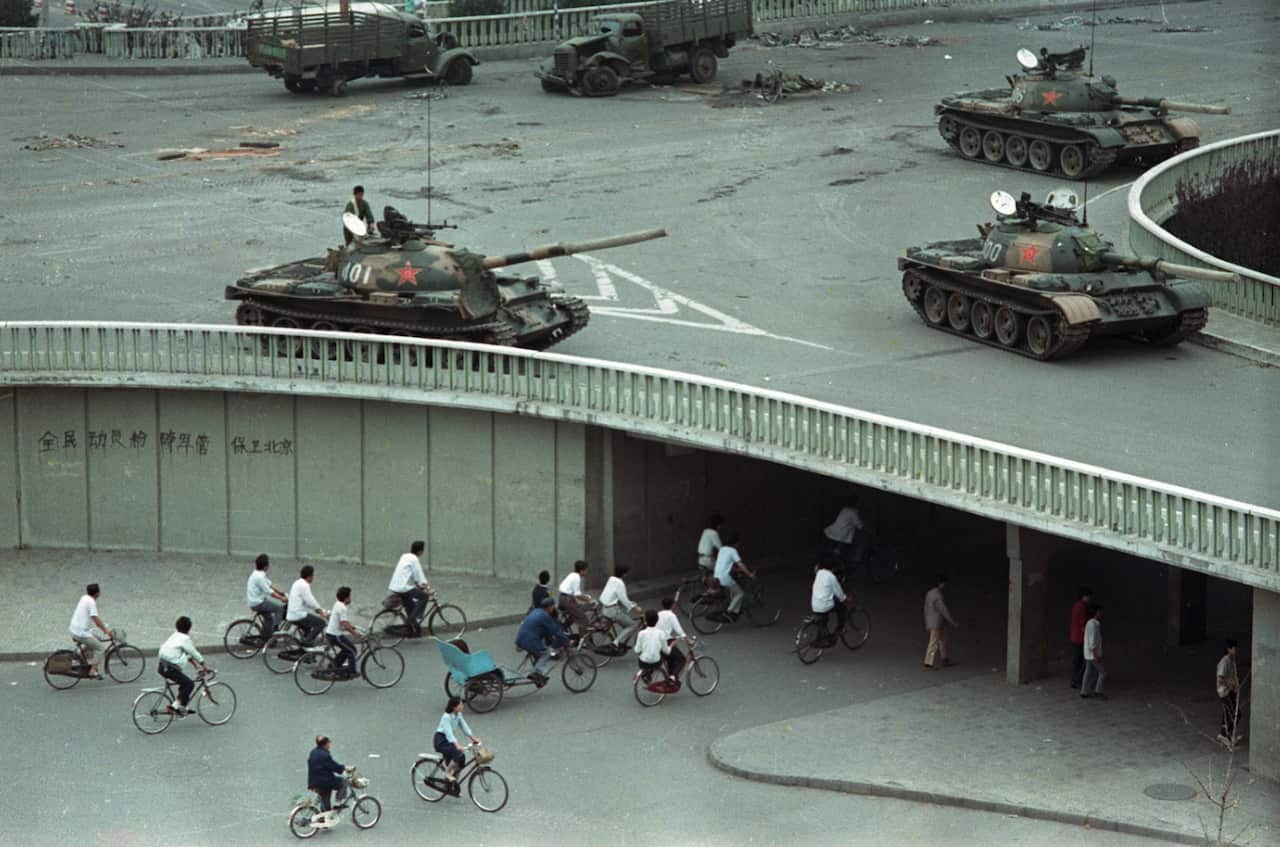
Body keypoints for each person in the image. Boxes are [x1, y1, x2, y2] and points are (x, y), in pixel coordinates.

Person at [157, 616, 206, 716]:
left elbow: (186, 654)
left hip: (162, 666)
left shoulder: (175, 636)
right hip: (170, 668)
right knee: (189, 684)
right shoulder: (185, 639)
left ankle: (182, 707)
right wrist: (204, 664)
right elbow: (193, 652)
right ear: (189, 628)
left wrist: (196, 665)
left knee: (184, 683)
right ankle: (174, 706)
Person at [515, 597, 568, 687]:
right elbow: (556, 630)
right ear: (549, 607)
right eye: (553, 606)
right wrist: (566, 640)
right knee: (547, 653)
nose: (553, 608)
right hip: (530, 641)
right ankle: (536, 673)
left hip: (521, 638)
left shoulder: (536, 611)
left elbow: (545, 630)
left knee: (539, 652)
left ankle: (538, 677)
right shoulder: (544, 616)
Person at [68, 583, 113, 679]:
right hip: (81, 633)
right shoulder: (91, 603)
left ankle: (80, 652)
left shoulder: (84, 597)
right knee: (100, 648)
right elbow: (96, 619)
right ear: (98, 594)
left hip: (74, 629)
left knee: (97, 638)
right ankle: (92, 671)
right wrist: (106, 631)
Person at [389, 540, 431, 637]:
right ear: (420, 551)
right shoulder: (414, 559)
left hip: (394, 585)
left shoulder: (404, 556)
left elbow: (412, 573)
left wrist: (418, 584)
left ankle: (414, 631)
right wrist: (428, 589)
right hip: (402, 587)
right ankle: (413, 619)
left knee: (411, 606)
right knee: (424, 596)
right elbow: (420, 576)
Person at [435, 696, 482, 782]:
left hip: (449, 740)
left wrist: (473, 739)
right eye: (460, 704)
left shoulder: (458, 715)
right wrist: (457, 745)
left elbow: (464, 727)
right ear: (454, 707)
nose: (462, 706)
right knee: (458, 754)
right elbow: (449, 733)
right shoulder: (446, 717)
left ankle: (452, 783)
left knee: (461, 760)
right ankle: (447, 773)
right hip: (441, 740)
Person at [713, 529, 755, 621]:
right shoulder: (733, 551)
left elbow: (726, 564)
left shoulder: (722, 549)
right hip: (725, 577)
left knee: (734, 590)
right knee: (740, 593)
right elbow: (741, 564)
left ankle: (735, 612)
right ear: (736, 542)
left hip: (716, 576)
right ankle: (728, 611)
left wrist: (737, 570)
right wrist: (749, 574)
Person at [598, 565, 641, 653]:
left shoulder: (611, 579)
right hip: (612, 611)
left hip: (604, 608)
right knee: (632, 625)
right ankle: (615, 642)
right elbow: (624, 599)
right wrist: (635, 608)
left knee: (624, 620)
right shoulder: (620, 583)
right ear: (624, 574)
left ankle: (618, 641)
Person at [246, 553, 288, 639]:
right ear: (265, 567)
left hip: (255, 601)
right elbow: (270, 592)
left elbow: (269, 584)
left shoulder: (257, 573)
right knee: (279, 609)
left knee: (269, 618)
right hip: (258, 603)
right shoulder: (260, 577)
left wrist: (280, 592)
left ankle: (266, 637)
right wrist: (282, 598)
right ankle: (275, 631)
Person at [287, 565, 329, 645]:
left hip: (291, 614)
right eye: (313, 576)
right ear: (310, 576)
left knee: (308, 628)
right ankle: (306, 643)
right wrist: (321, 612)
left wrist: (319, 610)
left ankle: (307, 654)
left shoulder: (297, 583)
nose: (313, 578)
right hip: (298, 615)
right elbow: (311, 601)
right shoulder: (304, 585)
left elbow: (307, 603)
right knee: (321, 623)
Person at [307, 735, 351, 812]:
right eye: (329, 743)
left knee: (325, 800)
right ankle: (338, 802)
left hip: (314, 782)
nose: (329, 745)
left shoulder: (313, 752)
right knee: (344, 781)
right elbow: (334, 766)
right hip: (324, 782)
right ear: (326, 744)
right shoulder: (325, 755)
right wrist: (344, 768)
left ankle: (323, 818)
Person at [923, 574, 957, 669]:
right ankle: (928, 662)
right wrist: (952, 622)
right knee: (934, 642)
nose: (944, 586)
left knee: (942, 640)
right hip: (937, 622)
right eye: (944, 583)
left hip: (933, 621)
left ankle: (944, 658)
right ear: (940, 584)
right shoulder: (937, 595)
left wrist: (927, 622)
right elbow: (944, 610)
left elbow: (926, 609)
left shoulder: (929, 593)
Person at [325, 586, 361, 679]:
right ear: (346, 598)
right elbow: (344, 623)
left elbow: (342, 622)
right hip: (335, 635)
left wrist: (351, 626)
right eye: (350, 597)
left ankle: (335, 665)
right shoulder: (343, 608)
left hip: (331, 633)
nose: (350, 599)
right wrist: (354, 633)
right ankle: (351, 671)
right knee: (352, 650)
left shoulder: (337, 604)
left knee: (347, 649)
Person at [823, 496, 864, 567]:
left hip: (833, 531)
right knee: (838, 552)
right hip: (842, 535)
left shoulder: (844, 509)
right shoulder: (853, 512)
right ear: (856, 504)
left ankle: (830, 561)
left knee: (832, 550)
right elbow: (859, 525)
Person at [811, 558, 848, 636]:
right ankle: (839, 629)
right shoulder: (831, 577)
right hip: (824, 606)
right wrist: (845, 598)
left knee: (824, 613)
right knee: (842, 609)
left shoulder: (819, 573)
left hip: (814, 605)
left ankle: (823, 633)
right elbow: (839, 593)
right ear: (833, 567)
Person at [654, 596, 688, 680]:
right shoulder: (671, 615)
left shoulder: (658, 614)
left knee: (670, 658)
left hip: (656, 641)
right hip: (665, 641)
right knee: (682, 660)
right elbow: (679, 630)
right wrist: (688, 639)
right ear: (673, 605)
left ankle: (669, 677)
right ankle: (672, 677)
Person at [1216, 639, 1242, 747]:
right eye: (1234, 648)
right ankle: (1224, 735)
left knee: (1228, 714)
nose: (1236, 650)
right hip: (1225, 692)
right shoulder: (1225, 661)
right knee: (1235, 715)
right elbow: (1220, 678)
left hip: (1231, 691)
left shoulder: (1232, 660)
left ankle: (1228, 735)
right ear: (1228, 649)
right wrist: (1229, 685)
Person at [557, 560, 592, 639]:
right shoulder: (577, 578)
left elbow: (575, 592)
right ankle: (583, 642)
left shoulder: (572, 575)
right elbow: (577, 595)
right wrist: (588, 600)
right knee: (583, 619)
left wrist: (585, 596)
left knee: (573, 615)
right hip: (568, 600)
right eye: (586, 570)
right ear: (582, 570)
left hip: (562, 598)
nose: (587, 572)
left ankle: (562, 629)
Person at [634, 609, 671, 681]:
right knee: (664, 657)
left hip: (643, 662)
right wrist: (672, 645)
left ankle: (646, 674)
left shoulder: (641, 633)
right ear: (657, 621)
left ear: (646, 621)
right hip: (656, 662)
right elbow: (666, 651)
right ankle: (668, 678)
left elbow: (637, 650)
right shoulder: (661, 633)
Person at [1080, 605, 1106, 700]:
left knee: (1089, 671)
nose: (1101, 614)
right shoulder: (1093, 624)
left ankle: (1084, 691)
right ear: (1096, 613)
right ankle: (1098, 692)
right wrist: (1095, 654)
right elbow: (1092, 641)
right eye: (1100, 612)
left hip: (1089, 654)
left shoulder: (1091, 623)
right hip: (1092, 654)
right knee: (1102, 672)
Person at [1068, 586, 1092, 689]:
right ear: (1084, 596)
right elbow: (1082, 623)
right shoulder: (1082, 607)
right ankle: (1077, 681)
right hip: (1080, 638)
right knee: (1080, 660)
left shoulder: (1075, 605)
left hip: (1074, 636)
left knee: (1076, 660)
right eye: (1089, 596)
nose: (1090, 599)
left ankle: (1075, 680)